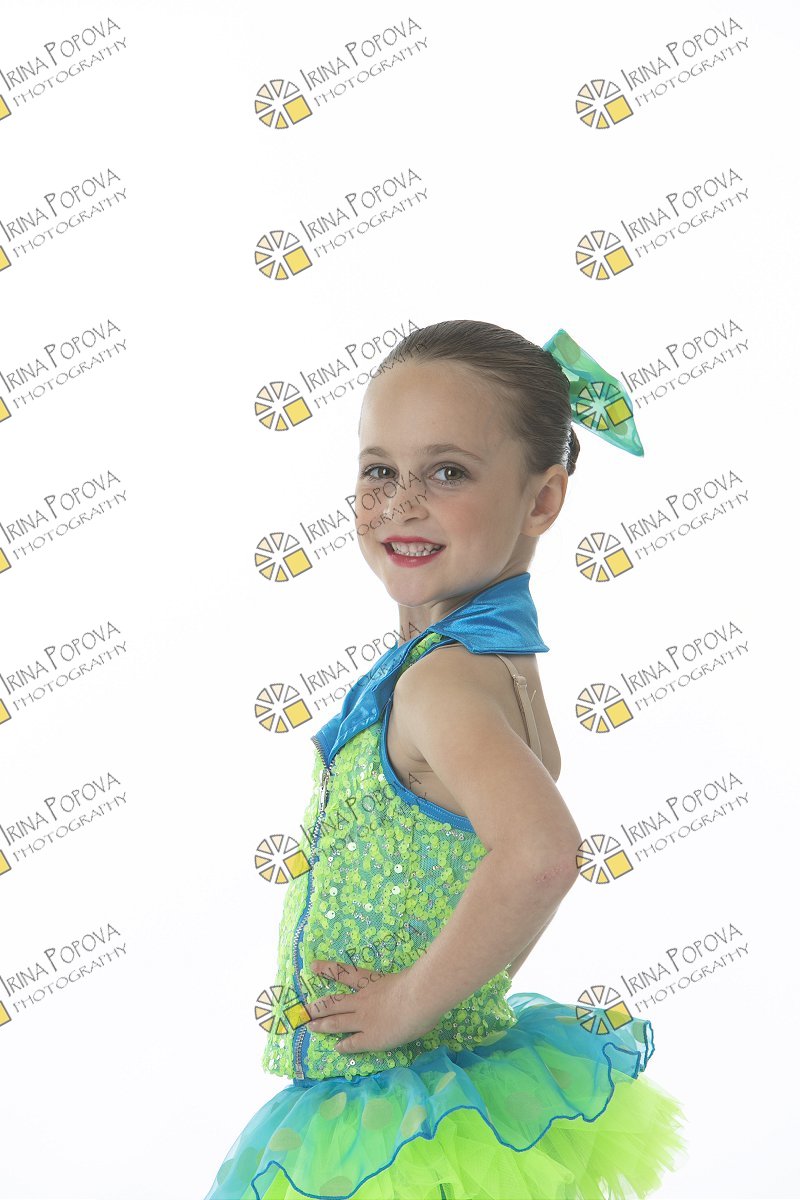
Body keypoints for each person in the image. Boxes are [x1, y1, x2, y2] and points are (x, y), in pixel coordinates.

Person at [203, 319, 689, 1199]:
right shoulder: (496, 667)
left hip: (394, 1113)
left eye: (448, 472)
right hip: (440, 1079)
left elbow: (541, 856)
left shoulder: (442, 684)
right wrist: (463, 993)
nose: (400, 503)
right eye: (378, 470)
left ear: (542, 501)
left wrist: (408, 1003)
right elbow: (510, 866)